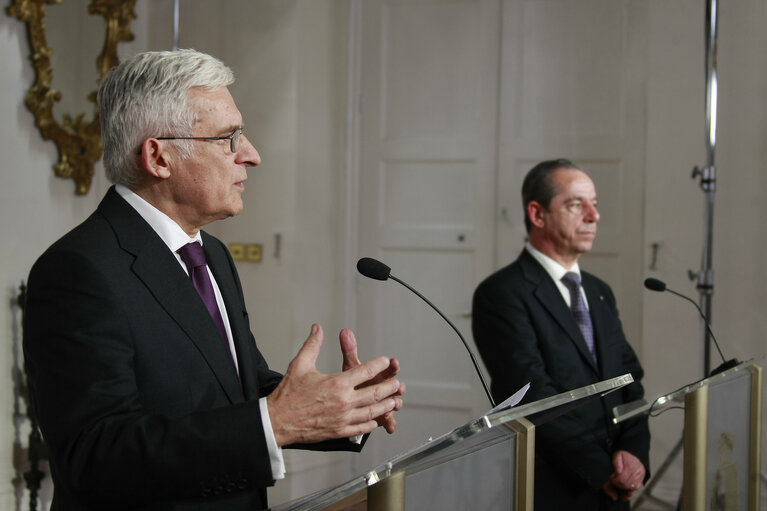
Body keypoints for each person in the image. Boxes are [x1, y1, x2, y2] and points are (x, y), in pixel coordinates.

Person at [23, 49, 404, 511]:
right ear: (159, 157)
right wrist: (275, 422)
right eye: (229, 138)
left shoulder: (212, 255)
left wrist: (338, 407)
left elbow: (237, 390)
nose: (252, 155)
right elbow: (95, 457)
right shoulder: (78, 271)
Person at [472, 159, 649, 510]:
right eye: (575, 205)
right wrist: (602, 470)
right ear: (538, 215)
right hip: (557, 488)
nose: (593, 216)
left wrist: (634, 450)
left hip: (617, 480)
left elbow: (630, 380)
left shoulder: (600, 292)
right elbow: (533, 395)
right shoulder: (503, 293)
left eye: (594, 205)